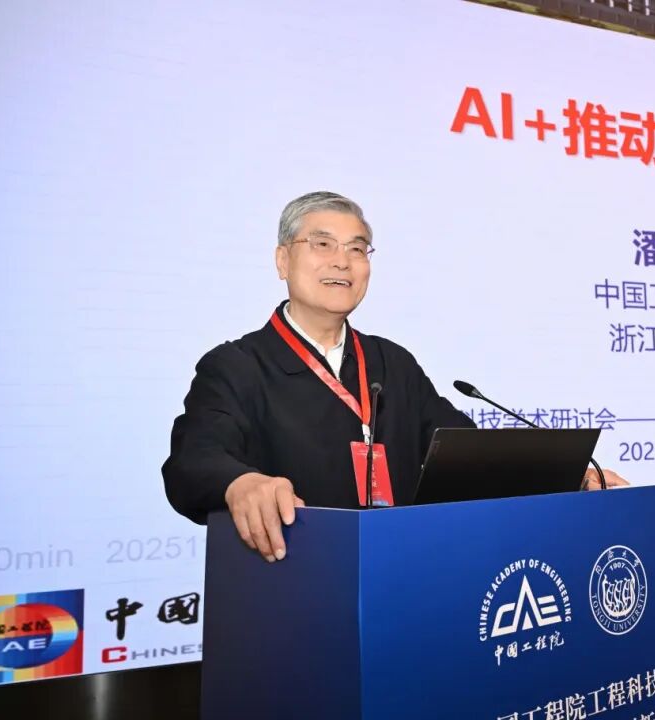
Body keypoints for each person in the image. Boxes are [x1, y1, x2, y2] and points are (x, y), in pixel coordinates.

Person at [163, 191, 624, 563]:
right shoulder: (237, 365)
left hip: (403, 578)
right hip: (297, 585)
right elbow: (193, 459)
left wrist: (564, 477)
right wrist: (240, 483)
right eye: (322, 244)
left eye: (357, 248)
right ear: (283, 260)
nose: (342, 261)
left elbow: (466, 451)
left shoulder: (390, 362)